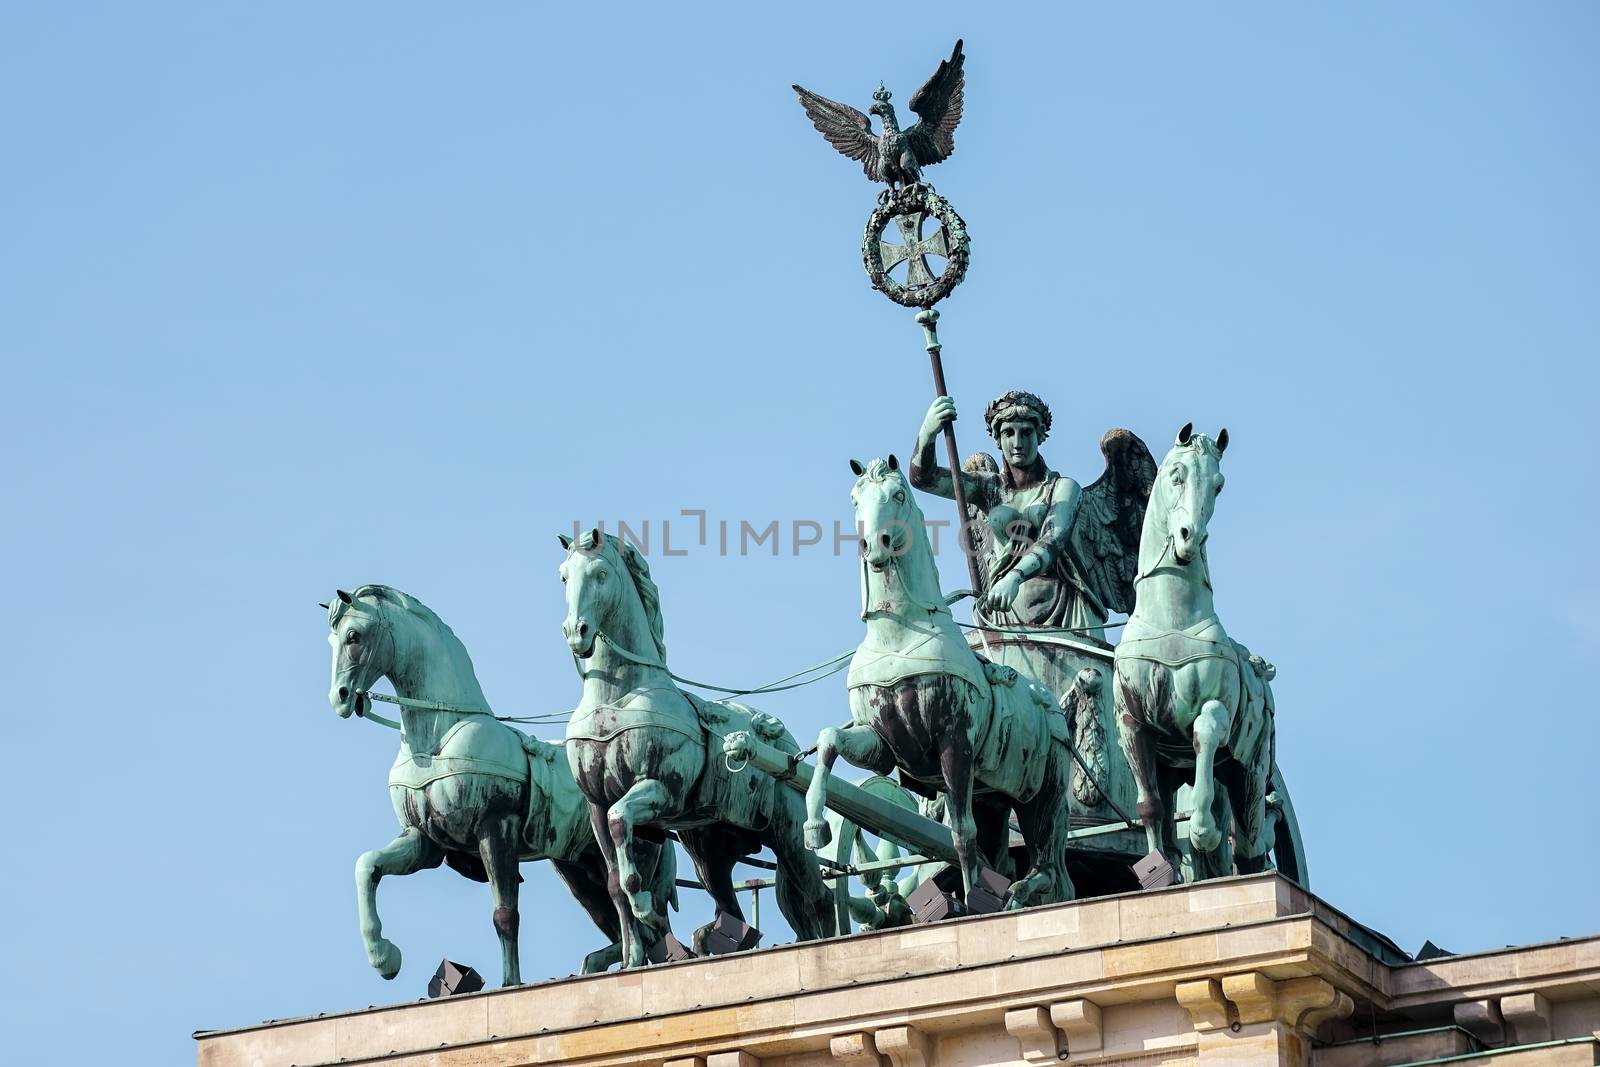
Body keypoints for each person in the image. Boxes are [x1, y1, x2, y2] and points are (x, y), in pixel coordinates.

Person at [912, 389, 1112, 634]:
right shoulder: (988, 488)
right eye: (1008, 433)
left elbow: (1052, 539)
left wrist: (1014, 578)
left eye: (1026, 432)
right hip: (1005, 610)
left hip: (1066, 610)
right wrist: (928, 431)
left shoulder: (1063, 489)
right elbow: (924, 478)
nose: (1017, 443)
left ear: (1040, 435)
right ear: (997, 438)